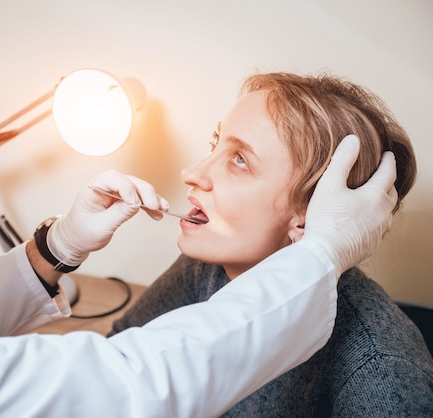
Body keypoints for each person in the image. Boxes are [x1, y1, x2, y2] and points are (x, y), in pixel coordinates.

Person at [0, 1, 398, 416]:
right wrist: (321, 253)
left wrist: (57, 247)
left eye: (239, 159)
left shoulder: (386, 374)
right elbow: (127, 387)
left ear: (312, 208)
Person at [110, 72, 433, 416]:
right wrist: (57, 248)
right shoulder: (208, 265)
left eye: (240, 160)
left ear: (312, 215)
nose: (192, 172)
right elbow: (117, 365)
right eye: (215, 143)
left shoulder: (380, 370)